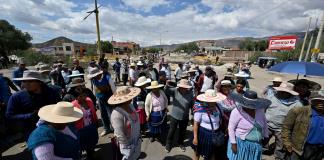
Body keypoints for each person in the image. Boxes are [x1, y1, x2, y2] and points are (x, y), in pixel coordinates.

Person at [6, 70, 61, 138]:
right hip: (31, 131)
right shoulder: (17, 97)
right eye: (24, 81)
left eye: (30, 81)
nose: (26, 84)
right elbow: (9, 115)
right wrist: (30, 115)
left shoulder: (51, 92)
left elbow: (59, 105)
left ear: (39, 82)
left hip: (54, 127)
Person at [227, 91, 271, 160]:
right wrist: (233, 143)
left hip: (256, 145)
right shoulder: (236, 111)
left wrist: (266, 136)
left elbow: (265, 124)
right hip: (241, 144)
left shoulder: (260, 111)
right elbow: (231, 128)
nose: (249, 106)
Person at [282, 90, 324, 160]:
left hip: (319, 149)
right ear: (311, 101)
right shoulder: (298, 111)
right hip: (299, 148)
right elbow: (286, 128)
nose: (321, 103)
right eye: (318, 101)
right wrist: (287, 143)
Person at [265, 82, 303, 160]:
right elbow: (264, 108)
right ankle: (263, 151)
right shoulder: (272, 97)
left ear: (289, 93)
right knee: (263, 140)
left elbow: (298, 118)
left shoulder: (297, 104)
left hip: (282, 129)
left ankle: (278, 157)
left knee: (281, 145)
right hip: (267, 125)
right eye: (280, 91)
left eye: (284, 92)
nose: (281, 93)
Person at [192, 89, 227, 160]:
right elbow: (196, 124)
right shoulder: (200, 108)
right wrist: (195, 138)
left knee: (212, 153)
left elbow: (222, 118)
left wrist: (226, 127)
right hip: (203, 134)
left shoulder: (218, 106)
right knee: (198, 152)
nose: (212, 102)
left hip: (216, 133)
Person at [108, 86, 142, 160]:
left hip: (136, 140)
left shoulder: (130, 105)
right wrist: (128, 147)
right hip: (127, 145)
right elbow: (119, 134)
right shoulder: (116, 114)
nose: (131, 98)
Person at [165, 79, 195, 152]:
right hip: (174, 116)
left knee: (182, 131)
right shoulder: (175, 91)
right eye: (182, 87)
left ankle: (180, 143)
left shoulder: (190, 94)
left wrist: (193, 116)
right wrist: (167, 86)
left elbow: (192, 106)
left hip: (185, 117)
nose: (183, 88)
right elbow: (167, 91)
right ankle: (168, 145)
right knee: (172, 131)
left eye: (185, 87)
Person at [88, 67, 116, 136]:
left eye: (94, 76)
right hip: (100, 99)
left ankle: (115, 129)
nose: (94, 77)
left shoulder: (107, 78)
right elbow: (95, 89)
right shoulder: (94, 80)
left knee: (111, 114)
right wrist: (96, 99)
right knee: (103, 114)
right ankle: (106, 129)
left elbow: (114, 89)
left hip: (109, 98)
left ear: (99, 74)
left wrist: (115, 99)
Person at [71, 88, 98, 159]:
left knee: (91, 144)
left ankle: (91, 154)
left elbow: (93, 112)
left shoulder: (89, 101)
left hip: (91, 126)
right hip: (80, 129)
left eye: (84, 95)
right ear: (76, 97)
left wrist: (96, 121)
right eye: (80, 96)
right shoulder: (73, 105)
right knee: (80, 146)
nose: (83, 97)